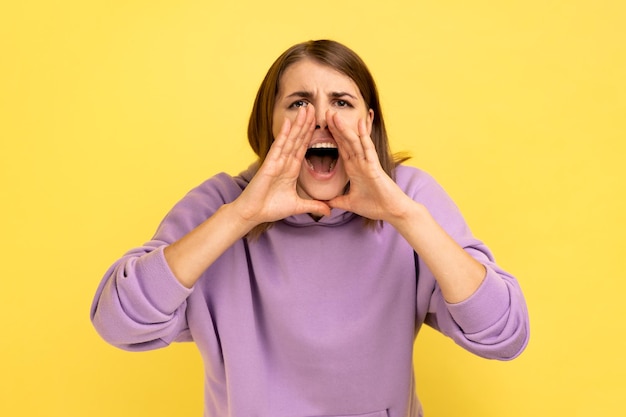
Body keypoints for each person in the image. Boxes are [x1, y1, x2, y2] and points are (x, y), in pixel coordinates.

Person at [91, 39, 529, 417]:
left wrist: (404, 216)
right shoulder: (223, 204)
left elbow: (503, 333)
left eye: (342, 102)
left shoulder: (410, 197)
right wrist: (242, 215)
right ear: (270, 122)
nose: (321, 119)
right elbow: (118, 322)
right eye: (299, 103)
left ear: (368, 123)